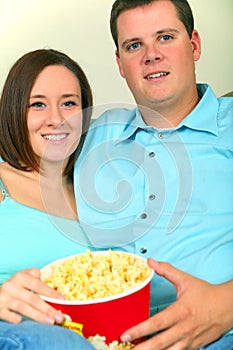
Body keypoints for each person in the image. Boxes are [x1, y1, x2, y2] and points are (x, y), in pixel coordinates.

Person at [74, 0, 233, 349]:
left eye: (164, 37)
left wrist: (226, 305)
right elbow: (18, 155)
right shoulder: (90, 136)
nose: (151, 55)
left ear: (194, 45)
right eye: (134, 45)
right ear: (120, 63)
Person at [0, 49, 95, 349]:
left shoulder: (98, 187)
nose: (56, 119)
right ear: (14, 112)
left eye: (69, 103)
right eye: (37, 105)